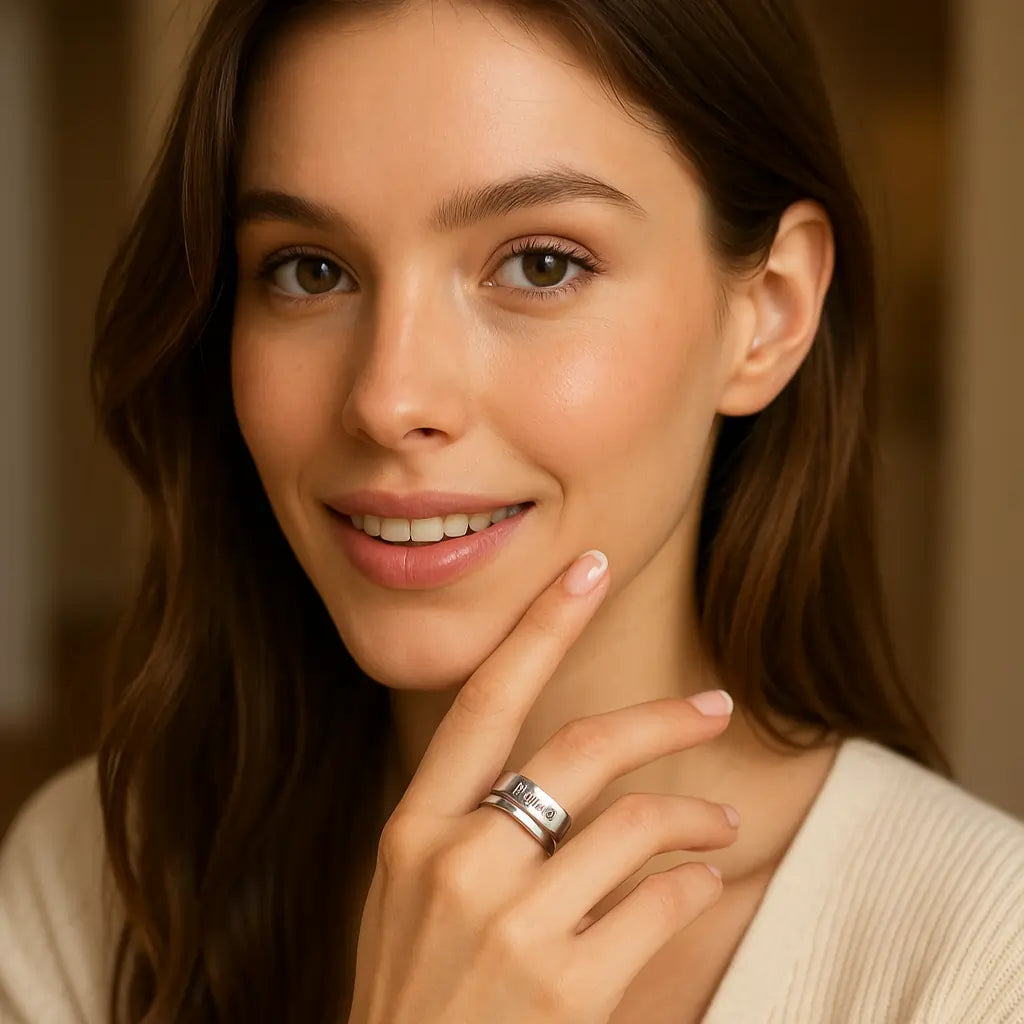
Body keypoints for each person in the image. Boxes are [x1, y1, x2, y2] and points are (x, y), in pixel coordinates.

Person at [2, 0, 1023, 1020]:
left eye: (541, 264)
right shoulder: (96, 880)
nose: (388, 398)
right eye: (310, 271)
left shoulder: (983, 958)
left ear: (769, 311)